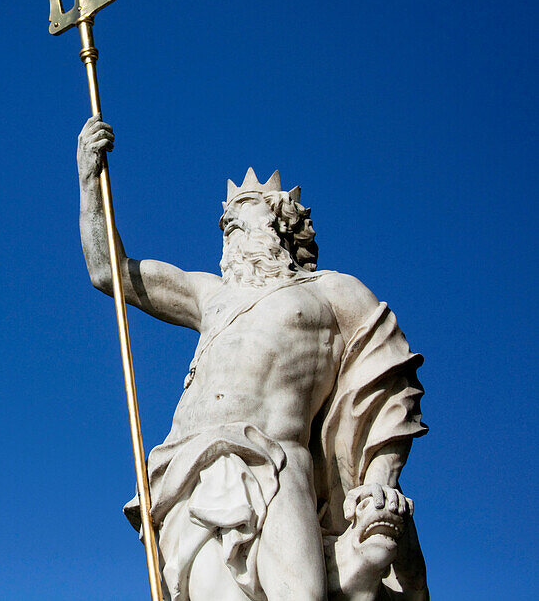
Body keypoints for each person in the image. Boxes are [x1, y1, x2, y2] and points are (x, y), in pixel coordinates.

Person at [77, 119, 428, 601]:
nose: (229, 229)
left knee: (303, 595)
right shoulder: (210, 294)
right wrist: (88, 180)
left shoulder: (335, 293)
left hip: (280, 462)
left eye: (244, 213)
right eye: (227, 223)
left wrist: (380, 480)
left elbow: (387, 391)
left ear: (282, 222)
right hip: (192, 465)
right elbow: (109, 271)